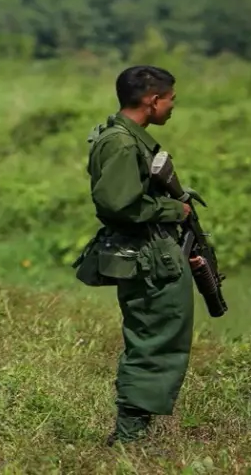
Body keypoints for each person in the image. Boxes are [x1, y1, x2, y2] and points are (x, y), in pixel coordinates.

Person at [80, 65, 204, 446]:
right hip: (147, 256)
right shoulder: (121, 143)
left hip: (152, 250)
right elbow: (117, 204)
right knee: (153, 339)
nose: (171, 108)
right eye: (170, 100)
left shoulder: (127, 138)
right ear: (152, 101)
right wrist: (172, 211)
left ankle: (135, 430)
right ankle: (130, 436)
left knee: (158, 335)